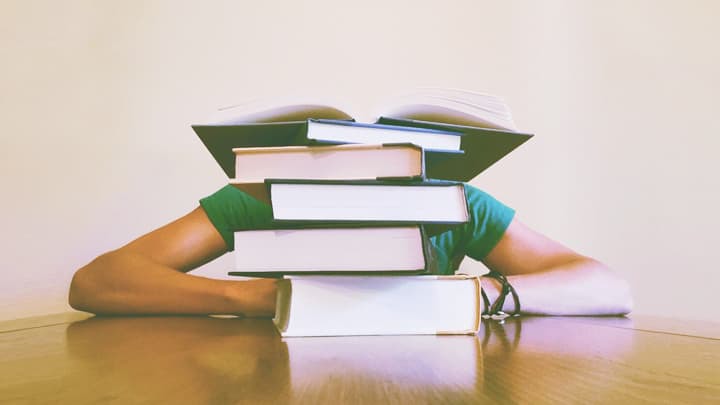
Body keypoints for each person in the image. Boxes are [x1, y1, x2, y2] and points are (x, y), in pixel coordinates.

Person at [68, 183, 633, 317]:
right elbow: (96, 281)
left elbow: (608, 285)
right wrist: (264, 298)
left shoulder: (452, 203)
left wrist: (482, 293)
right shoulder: (264, 195)